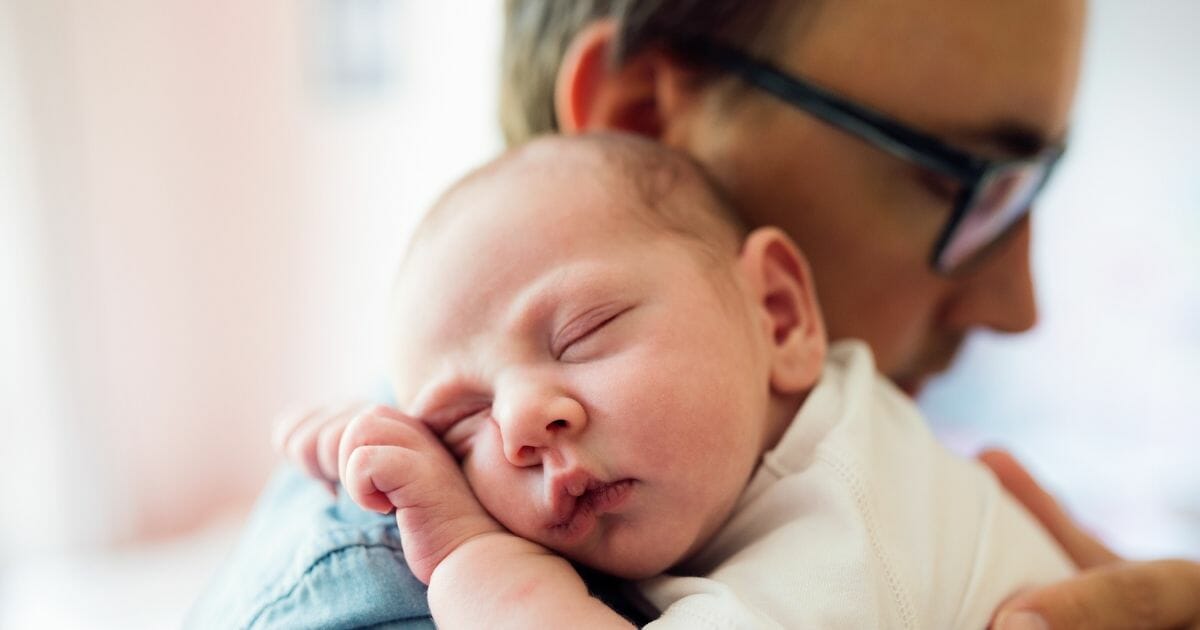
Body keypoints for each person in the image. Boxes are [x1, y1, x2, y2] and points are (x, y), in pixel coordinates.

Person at [189, 1, 1200, 628]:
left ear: (778, 305)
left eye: (1025, 189)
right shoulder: (376, 582)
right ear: (646, 124)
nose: (1018, 305)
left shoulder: (832, 494)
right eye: (956, 179)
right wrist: (460, 552)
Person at [309, 132, 1077, 628]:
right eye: (459, 426)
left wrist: (471, 559)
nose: (516, 428)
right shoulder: (772, 447)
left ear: (777, 316)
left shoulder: (848, 521)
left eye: (582, 334)